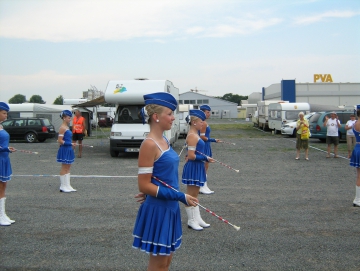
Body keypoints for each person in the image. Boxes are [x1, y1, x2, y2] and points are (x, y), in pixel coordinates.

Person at [132, 92, 198, 271]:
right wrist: (179, 195)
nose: (173, 117)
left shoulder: (164, 140)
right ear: (156, 117)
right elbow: (143, 184)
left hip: (169, 207)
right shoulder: (150, 144)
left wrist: (158, 193)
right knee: (159, 264)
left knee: (167, 261)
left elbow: (158, 178)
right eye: (169, 113)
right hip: (159, 210)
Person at [182, 109, 215, 231]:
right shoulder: (192, 136)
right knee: (191, 195)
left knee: (195, 195)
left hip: (198, 166)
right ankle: (191, 220)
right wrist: (205, 157)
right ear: (194, 122)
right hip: (193, 167)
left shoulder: (195, 135)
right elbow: (191, 156)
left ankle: (197, 218)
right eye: (201, 121)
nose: (203, 124)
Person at [199, 104, 221, 194]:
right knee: (204, 166)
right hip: (204, 145)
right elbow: (202, 136)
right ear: (203, 112)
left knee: (206, 166)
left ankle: (204, 185)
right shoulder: (203, 123)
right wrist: (214, 140)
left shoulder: (204, 122)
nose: (209, 114)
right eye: (207, 112)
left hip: (206, 145)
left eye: (209, 112)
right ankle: (201, 186)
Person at [0, 102, 16, 226]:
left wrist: (7, 148)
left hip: (4, 159)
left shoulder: (1, 127)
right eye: (4, 113)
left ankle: (3, 214)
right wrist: (4, 149)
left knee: (3, 186)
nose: (6, 116)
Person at [57, 110, 76, 193]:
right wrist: (70, 143)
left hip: (69, 148)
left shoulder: (67, 127)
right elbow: (60, 141)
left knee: (68, 167)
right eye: (68, 118)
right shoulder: (62, 128)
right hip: (65, 149)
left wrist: (72, 145)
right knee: (64, 167)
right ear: (64, 118)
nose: (70, 119)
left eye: (70, 118)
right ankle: (62, 186)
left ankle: (68, 185)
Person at [350, 105, 360, 207]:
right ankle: (357, 199)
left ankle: (357, 198)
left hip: (357, 147)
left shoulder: (355, 123)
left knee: (358, 175)